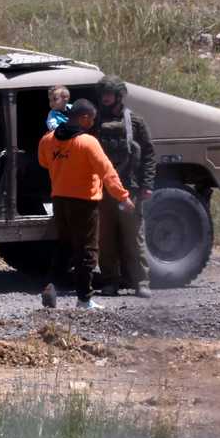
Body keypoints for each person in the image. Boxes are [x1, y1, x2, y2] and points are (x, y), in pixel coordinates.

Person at [38, 99, 135, 310]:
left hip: (59, 200)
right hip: (84, 203)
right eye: (91, 119)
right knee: (87, 251)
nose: (92, 123)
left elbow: (43, 162)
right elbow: (107, 172)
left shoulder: (47, 139)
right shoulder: (88, 142)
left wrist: (63, 164)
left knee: (64, 247)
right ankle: (84, 299)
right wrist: (122, 197)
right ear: (83, 118)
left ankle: (50, 286)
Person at [94, 75, 156, 298]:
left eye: (110, 94)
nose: (106, 98)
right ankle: (110, 282)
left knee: (133, 238)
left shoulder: (135, 122)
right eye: (103, 94)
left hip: (130, 190)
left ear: (119, 96)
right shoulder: (95, 122)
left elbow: (148, 154)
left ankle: (141, 282)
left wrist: (147, 185)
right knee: (106, 239)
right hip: (103, 190)